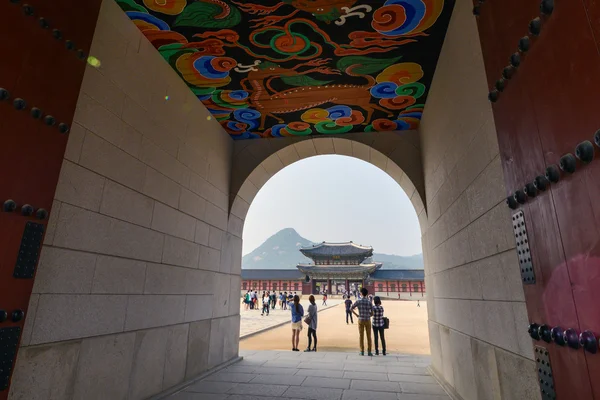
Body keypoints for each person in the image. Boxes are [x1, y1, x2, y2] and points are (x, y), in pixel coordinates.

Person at [351, 287, 373, 356]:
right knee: (369, 336)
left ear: (361, 293)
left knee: (361, 336)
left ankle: (362, 351)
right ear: (366, 294)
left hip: (360, 319)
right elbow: (372, 312)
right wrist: (369, 315)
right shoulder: (369, 302)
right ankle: (369, 351)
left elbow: (351, 308)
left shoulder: (358, 301)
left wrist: (357, 315)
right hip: (367, 320)